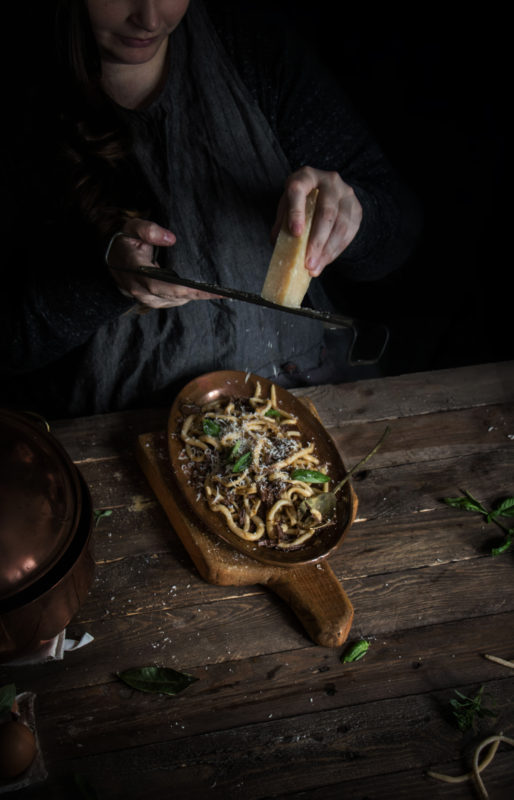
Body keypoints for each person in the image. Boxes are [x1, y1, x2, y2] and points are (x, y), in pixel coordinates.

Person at [1, 0, 419, 418]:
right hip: (122, 426)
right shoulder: (24, 86)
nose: (148, 18)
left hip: (305, 396)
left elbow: (396, 239)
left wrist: (356, 215)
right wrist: (104, 281)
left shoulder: (250, 43)